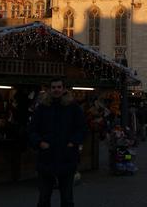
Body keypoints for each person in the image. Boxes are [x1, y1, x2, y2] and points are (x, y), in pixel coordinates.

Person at [29, 78, 85, 207]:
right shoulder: (42, 108)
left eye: (59, 87)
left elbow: (81, 128)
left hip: (66, 157)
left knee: (67, 199)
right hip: (46, 158)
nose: (56, 90)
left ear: (64, 89)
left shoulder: (73, 107)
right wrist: (39, 143)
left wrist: (72, 142)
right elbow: (32, 130)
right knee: (44, 198)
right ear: (49, 89)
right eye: (53, 87)